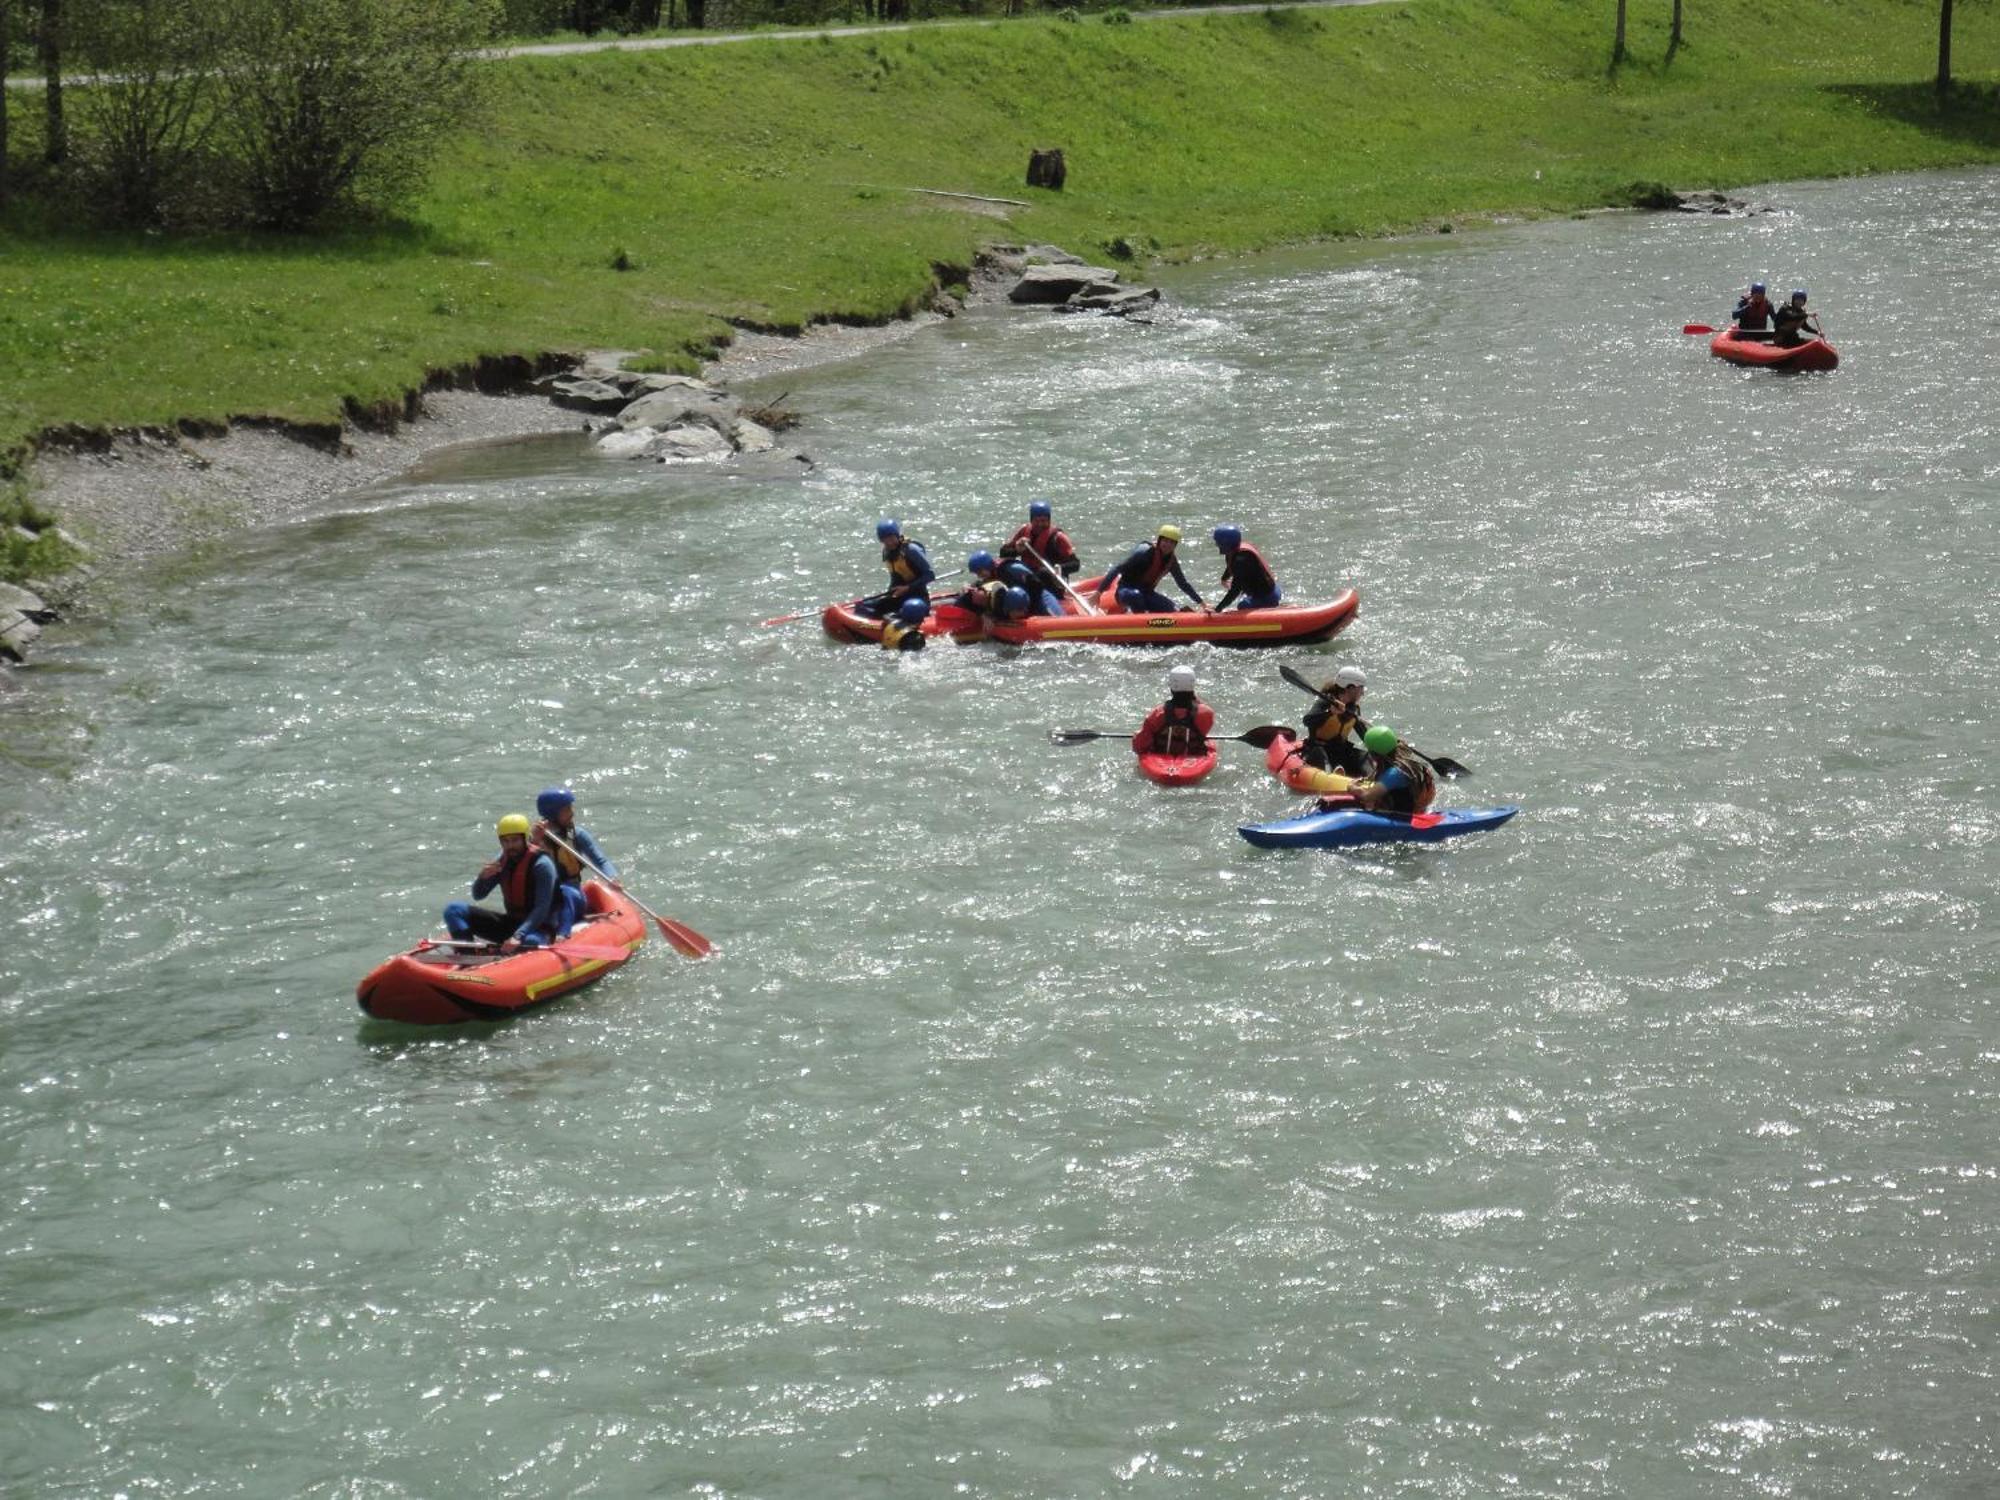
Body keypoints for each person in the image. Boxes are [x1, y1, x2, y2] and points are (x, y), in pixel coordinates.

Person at [443, 813, 568, 952]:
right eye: (505, 841)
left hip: (539, 927)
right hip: (511, 923)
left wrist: (518, 936)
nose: (510, 846)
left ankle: (515, 957)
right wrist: (482, 878)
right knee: (454, 910)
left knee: (529, 941)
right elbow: (478, 895)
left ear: (524, 838)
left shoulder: (542, 865)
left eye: (515, 840)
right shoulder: (502, 861)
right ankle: (466, 956)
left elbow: (542, 908)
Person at [533, 786, 618, 934]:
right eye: (566, 810)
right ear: (552, 814)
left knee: (564, 892)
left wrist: (612, 878)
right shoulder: (536, 839)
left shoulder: (577, 834)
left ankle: (562, 935)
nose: (572, 813)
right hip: (544, 899)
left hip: (573, 893)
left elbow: (600, 860)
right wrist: (535, 841)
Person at [1332, 725, 1437, 815]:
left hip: (1402, 817)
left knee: (1351, 802)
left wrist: (1352, 788)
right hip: (1416, 810)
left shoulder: (1394, 774)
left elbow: (1367, 796)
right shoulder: (1406, 762)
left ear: (1373, 754)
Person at [1099, 525, 1205, 613]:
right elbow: (1117, 568)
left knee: (1173, 610)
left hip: (1146, 593)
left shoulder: (1172, 561)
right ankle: (1139, 624)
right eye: (1165, 541)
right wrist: (1098, 593)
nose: (1168, 545)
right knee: (1135, 596)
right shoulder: (1144, 552)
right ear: (1159, 540)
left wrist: (1202, 604)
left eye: (1172, 542)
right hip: (1126, 590)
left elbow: (1183, 584)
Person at [1299, 664, 1370, 775]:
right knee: (1324, 760)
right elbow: (1307, 721)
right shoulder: (1325, 702)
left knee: (1367, 759)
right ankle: (1333, 775)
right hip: (1318, 749)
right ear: (1350, 688)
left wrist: (1382, 750)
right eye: (1361, 688)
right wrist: (1330, 713)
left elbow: (1364, 734)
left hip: (1340, 750)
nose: (1363, 692)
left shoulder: (1353, 708)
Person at [1133, 665, 1215, 756]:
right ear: (1193, 686)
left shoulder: (1157, 714)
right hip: (1192, 759)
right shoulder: (1207, 713)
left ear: (1171, 687)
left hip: (1161, 760)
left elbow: (1140, 746)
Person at [860, 518, 933, 617]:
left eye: (891, 538)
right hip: (899, 595)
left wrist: (907, 588)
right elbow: (895, 578)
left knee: (908, 609)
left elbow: (930, 575)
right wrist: (889, 592)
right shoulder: (887, 552)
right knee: (864, 606)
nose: (889, 543)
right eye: (885, 540)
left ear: (897, 535)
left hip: (917, 597)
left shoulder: (911, 550)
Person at [1211, 525, 1283, 611]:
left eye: (1218, 542)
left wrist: (1217, 609)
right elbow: (1231, 566)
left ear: (1225, 543)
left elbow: (1235, 590)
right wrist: (1224, 578)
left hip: (1267, 596)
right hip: (1272, 589)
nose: (1216, 544)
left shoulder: (1242, 559)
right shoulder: (1236, 550)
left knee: (1242, 606)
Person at [1007, 500, 1082, 579]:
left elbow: (1075, 564)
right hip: (1029, 576)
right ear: (1031, 520)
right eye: (1036, 521)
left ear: (1049, 520)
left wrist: (1057, 569)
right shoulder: (1024, 531)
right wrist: (1016, 550)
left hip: (1051, 580)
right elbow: (1003, 552)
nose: (1040, 524)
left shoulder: (1058, 537)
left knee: (1043, 573)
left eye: (1043, 521)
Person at [953, 551, 1007, 617]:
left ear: (988, 566)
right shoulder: (989, 575)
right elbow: (979, 585)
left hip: (1003, 606)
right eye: (977, 573)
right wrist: (967, 587)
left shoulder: (1003, 573)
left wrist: (987, 614)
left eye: (980, 572)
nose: (979, 576)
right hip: (991, 602)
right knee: (967, 595)